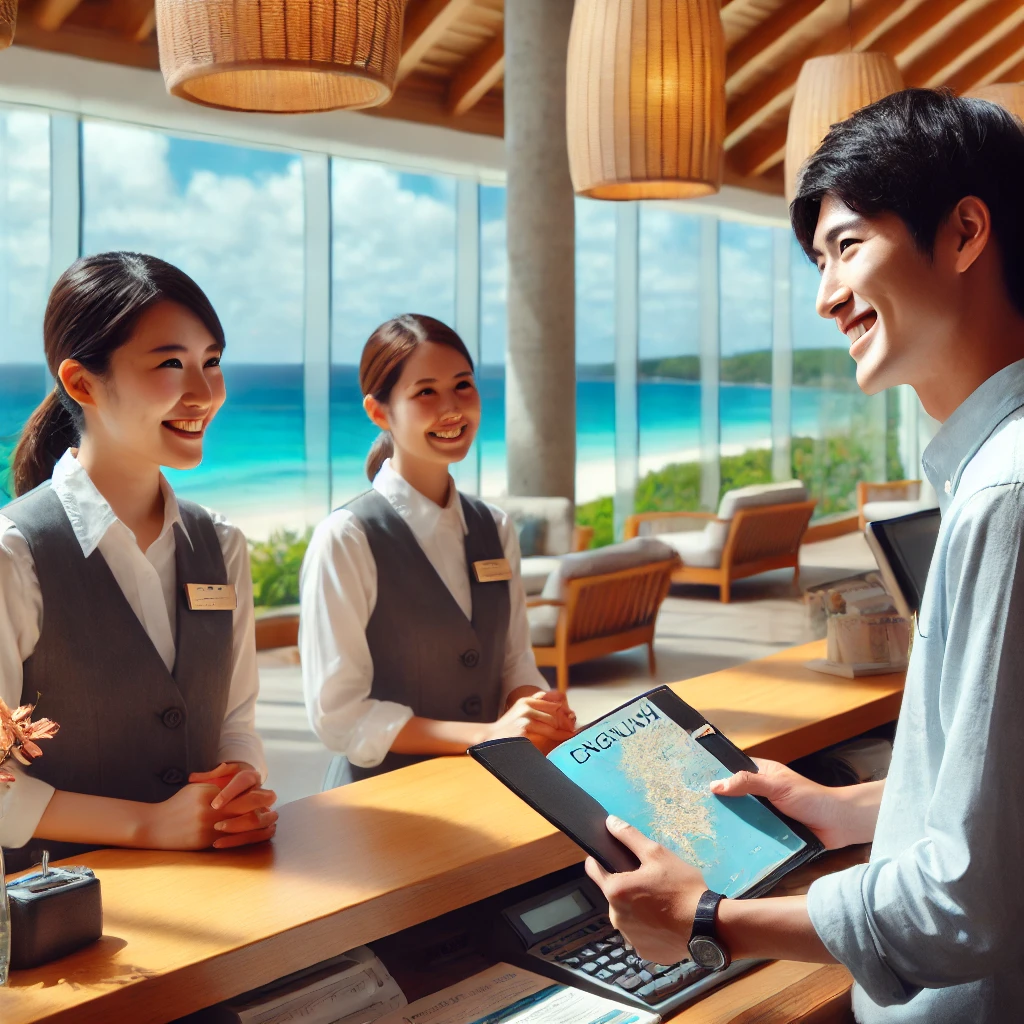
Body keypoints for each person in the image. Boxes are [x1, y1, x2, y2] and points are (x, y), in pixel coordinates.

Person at [584, 89, 1024, 1022]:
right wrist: (855, 808)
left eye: (847, 247)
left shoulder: (1004, 498)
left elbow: (965, 903)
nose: (825, 297)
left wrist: (708, 917)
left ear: (965, 232)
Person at [0, 252, 278, 873]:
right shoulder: (13, 556)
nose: (204, 393)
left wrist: (238, 783)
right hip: (62, 918)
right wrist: (149, 823)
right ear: (81, 383)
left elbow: (234, 718)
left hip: (221, 887)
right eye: (171, 364)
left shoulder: (221, 543)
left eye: (211, 362)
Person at [301, 313, 576, 785]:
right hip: (382, 798)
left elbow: (514, 661)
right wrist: (487, 735)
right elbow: (338, 715)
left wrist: (534, 708)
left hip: (489, 782)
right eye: (426, 391)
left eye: (463, 385)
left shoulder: (495, 526)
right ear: (379, 411)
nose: (452, 408)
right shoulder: (346, 537)